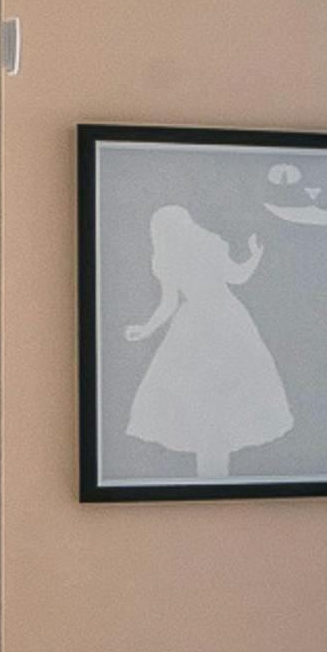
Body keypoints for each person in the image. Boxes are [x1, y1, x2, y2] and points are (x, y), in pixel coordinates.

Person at [125, 201, 294, 479]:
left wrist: (146, 329)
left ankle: (212, 476)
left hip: (198, 324)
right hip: (223, 320)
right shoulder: (204, 248)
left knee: (206, 396)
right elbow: (238, 277)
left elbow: (168, 305)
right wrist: (255, 256)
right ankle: (214, 476)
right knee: (214, 395)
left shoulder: (168, 258)